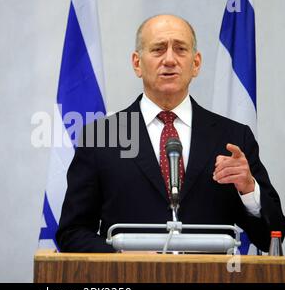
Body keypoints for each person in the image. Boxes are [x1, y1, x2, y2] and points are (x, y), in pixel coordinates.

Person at [56, 14, 285, 253]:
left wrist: (248, 189)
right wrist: (125, 260)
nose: (169, 59)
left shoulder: (233, 138)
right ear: (137, 63)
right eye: (157, 49)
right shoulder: (102, 137)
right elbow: (72, 232)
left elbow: (271, 236)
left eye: (180, 49)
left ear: (196, 64)